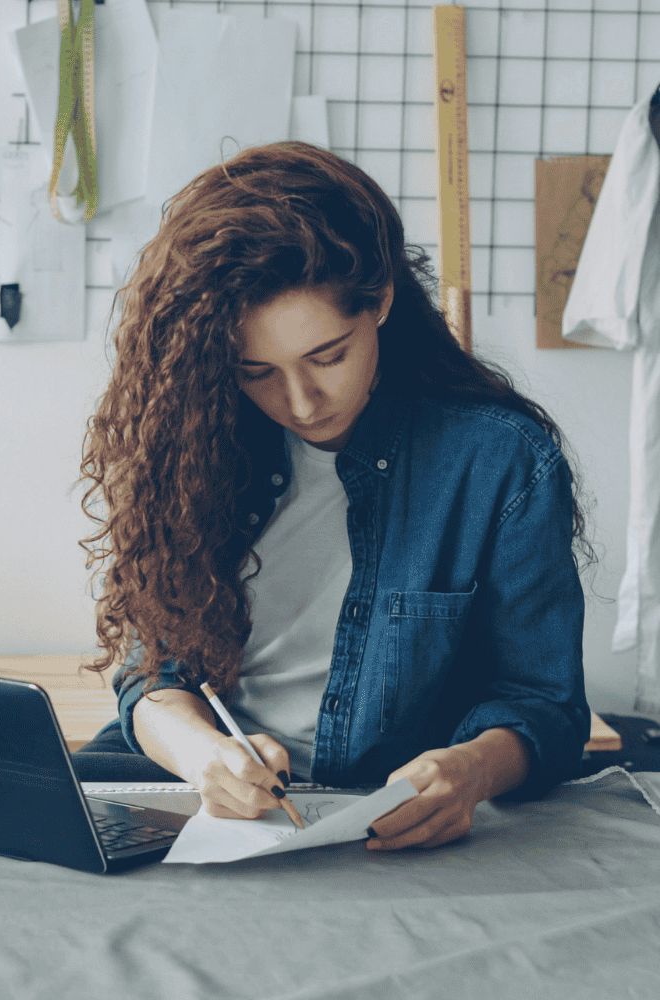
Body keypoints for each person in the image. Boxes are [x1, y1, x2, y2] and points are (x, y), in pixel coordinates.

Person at [71, 142, 598, 853]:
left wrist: (469, 770)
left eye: (328, 357)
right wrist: (203, 757)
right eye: (257, 372)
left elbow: (546, 706)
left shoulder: (500, 460)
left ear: (379, 301)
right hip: (195, 801)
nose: (302, 402)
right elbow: (152, 671)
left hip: (382, 820)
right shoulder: (189, 438)